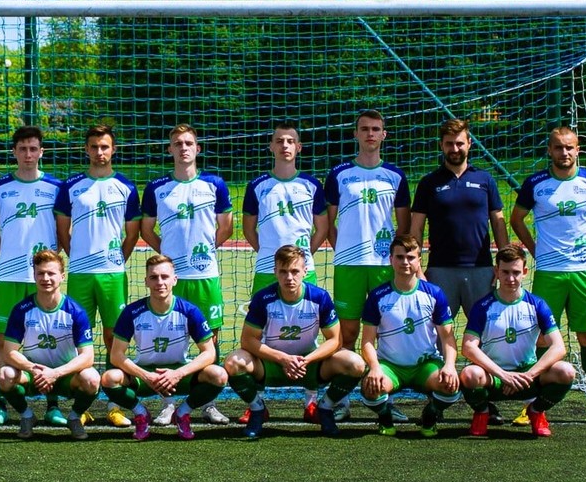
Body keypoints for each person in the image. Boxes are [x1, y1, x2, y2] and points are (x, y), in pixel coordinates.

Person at [510, 125, 586, 426]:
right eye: (558, 147)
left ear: (578, 149)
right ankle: (533, 406)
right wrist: (536, 251)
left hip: (583, 273)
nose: (564, 152)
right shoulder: (535, 184)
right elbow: (517, 219)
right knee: (541, 338)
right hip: (549, 273)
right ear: (549, 150)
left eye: (569, 147)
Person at [140, 124, 235, 427]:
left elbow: (226, 226)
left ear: (197, 148)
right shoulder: (156, 187)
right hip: (172, 279)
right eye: (178, 143)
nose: (184, 148)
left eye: (189, 143)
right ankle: (168, 403)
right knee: (169, 337)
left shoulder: (214, 184)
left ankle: (207, 402)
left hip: (206, 276)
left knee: (211, 339)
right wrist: (168, 257)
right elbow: (146, 229)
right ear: (170, 149)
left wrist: (205, 251)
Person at [223, 245, 364, 440]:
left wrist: (307, 360)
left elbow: (335, 340)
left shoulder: (319, 297)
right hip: (271, 365)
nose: (289, 277)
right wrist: (283, 359)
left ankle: (325, 408)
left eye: (295, 271)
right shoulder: (263, 298)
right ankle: (257, 410)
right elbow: (247, 340)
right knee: (233, 362)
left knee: (356, 363)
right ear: (275, 272)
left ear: (305, 271)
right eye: (283, 271)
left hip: (310, 366)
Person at [53, 123, 142, 429]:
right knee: (76, 338)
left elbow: (132, 234)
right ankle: (81, 405)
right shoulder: (71, 185)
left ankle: (115, 405)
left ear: (113, 149)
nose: (99, 152)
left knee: (114, 337)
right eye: (94, 146)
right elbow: (62, 230)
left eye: (105, 146)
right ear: (86, 149)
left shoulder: (126, 186)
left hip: (112, 275)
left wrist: (116, 260)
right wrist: (78, 257)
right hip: (80, 273)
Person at [102, 253, 228, 441]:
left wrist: (178, 374)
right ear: (146, 281)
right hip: (144, 376)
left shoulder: (189, 311)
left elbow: (209, 353)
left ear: (174, 280)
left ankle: (182, 413)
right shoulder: (132, 312)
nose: (159, 282)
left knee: (219, 375)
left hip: (179, 375)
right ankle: (141, 414)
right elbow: (116, 355)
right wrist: (147, 376)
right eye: (154, 277)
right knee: (109, 378)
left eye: (164, 277)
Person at [0, 126, 63, 425]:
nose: (28, 154)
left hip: (44, 277)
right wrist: (11, 256)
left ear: (41, 152)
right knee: (4, 339)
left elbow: (61, 230)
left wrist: (48, 263)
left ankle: (52, 404)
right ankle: (0, 403)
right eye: (22, 149)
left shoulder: (56, 187)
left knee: (49, 340)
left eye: (33, 149)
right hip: (9, 275)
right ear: (14, 152)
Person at [459, 245, 575, 438]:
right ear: (496, 271)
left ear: (525, 272)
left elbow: (558, 347)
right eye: (505, 272)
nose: (510, 278)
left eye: (516, 272)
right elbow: (468, 347)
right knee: (469, 374)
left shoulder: (537, 304)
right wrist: (503, 375)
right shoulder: (483, 306)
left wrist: (529, 375)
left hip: (527, 377)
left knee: (566, 371)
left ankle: (536, 411)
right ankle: (482, 412)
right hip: (494, 378)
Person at [322, 110, 410, 354]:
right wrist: (343, 248)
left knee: (387, 328)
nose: (370, 134)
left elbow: (404, 226)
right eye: (364, 129)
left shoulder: (395, 176)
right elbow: (328, 222)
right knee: (348, 331)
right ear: (356, 134)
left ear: (383, 135)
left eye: (375, 129)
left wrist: (392, 255)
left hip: (383, 264)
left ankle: (382, 373)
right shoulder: (338, 174)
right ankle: (347, 375)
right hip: (349, 264)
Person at [359, 234, 461, 436]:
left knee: (451, 385)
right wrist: (375, 367)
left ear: (419, 260)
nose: (405, 262)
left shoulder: (434, 294)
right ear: (391, 260)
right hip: (390, 366)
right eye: (400, 257)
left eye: (410, 257)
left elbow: (448, 338)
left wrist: (449, 365)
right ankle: (385, 416)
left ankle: (430, 414)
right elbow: (367, 341)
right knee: (370, 387)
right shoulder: (378, 296)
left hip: (425, 365)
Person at [409, 118, 508, 323]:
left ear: (469, 143)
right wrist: (417, 267)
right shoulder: (428, 183)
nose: (455, 149)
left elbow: (498, 223)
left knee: (486, 329)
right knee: (435, 330)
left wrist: (505, 262)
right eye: (449, 144)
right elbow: (416, 228)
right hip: (440, 270)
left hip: (481, 269)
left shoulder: (485, 179)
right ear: (441, 145)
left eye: (459, 143)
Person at [0, 249, 99, 440]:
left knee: (92, 378)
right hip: (34, 375)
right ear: (34, 276)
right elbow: (9, 352)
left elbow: (88, 356)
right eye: (40, 273)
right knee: (5, 375)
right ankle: (27, 415)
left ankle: (74, 417)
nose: (46, 278)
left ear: (62, 276)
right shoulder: (22, 310)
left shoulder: (76, 311)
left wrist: (55, 373)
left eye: (51, 273)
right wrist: (34, 369)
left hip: (65, 375)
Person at [242, 124, 328, 293]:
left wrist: (302, 255)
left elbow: (322, 229)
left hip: (303, 269)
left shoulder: (312, 185)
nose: (285, 145)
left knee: (308, 310)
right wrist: (268, 251)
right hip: (267, 268)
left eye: (290, 141)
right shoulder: (256, 186)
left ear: (299, 147)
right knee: (262, 311)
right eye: (279, 141)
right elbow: (248, 229)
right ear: (271, 146)